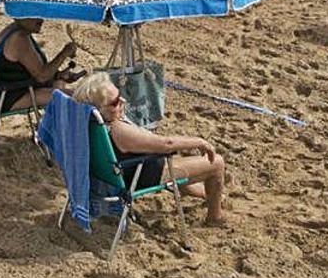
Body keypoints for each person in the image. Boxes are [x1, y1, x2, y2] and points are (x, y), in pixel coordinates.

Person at [72, 73, 227, 226]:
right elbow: (166, 144)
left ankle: (208, 195)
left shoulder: (89, 125)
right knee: (216, 163)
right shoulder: (118, 130)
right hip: (143, 173)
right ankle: (215, 217)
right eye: (115, 103)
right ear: (99, 109)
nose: (123, 101)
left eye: (120, 95)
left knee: (183, 167)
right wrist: (199, 142)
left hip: (117, 174)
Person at [0, 18, 82, 111]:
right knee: (79, 98)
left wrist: (58, 74)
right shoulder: (19, 39)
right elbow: (42, 76)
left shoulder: (16, 30)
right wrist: (65, 52)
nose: (41, 20)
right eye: (35, 15)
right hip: (10, 96)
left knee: (60, 83)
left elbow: (33, 69)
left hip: (6, 90)